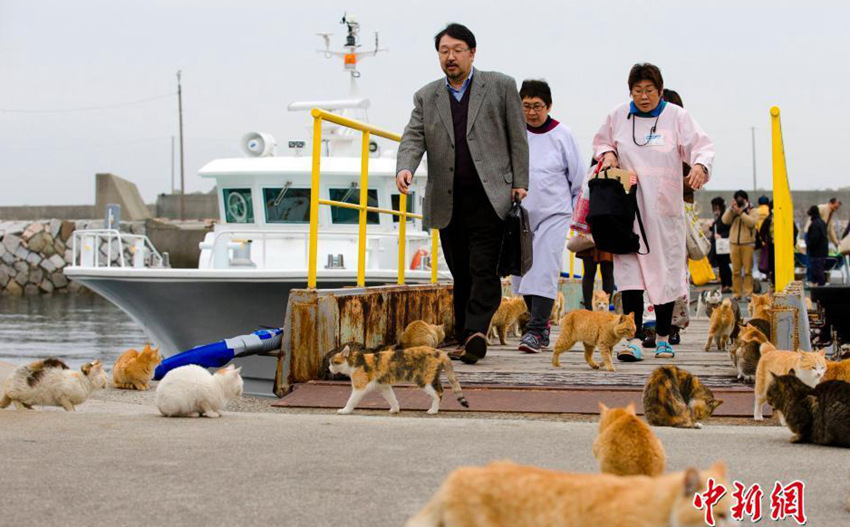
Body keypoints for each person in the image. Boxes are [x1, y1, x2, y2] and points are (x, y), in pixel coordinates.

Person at [396, 23, 529, 364]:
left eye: (457, 50)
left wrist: (519, 181)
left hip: (491, 195)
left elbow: (518, 137)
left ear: (472, 52)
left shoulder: (500, 86)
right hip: (447, 198)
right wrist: (405, 166)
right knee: (461, 271)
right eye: (444, 51)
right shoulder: (427, 96)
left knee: (483, 266)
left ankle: (474, 334)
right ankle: (464, 334)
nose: (450, 57)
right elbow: (413, 137)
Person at [593, 63, 714, 361]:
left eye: (649, 90)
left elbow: (702, 146)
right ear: (630, 92)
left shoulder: (677, 117)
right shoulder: (618, 116)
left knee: (665, 275)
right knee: (630, 276)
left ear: (660, 91)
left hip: (663, 210)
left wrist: (700, 166)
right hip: (626, 208)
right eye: (637, 91)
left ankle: (662, 337)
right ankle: (633, 339)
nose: (643, 97)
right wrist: (607, 154)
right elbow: (601, 142)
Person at [510, 80, 583, 353]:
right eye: (526, 106)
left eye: (537, 106)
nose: (531, 112)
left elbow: (577, 178)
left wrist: (578, 218)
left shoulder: (563, 134)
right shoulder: (515, 133)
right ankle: (541, 327)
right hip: (521, 215)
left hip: (555, 212)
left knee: (543, 268)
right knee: (522, 272)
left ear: (549, 106)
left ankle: (536, 330)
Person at [722, 190, 759, 301]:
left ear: (746, 200)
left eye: (741, 199)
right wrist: (730, 209)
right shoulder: (733, 210)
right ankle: (736, 293)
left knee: (748, 270)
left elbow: (752, 222)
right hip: (734, 243)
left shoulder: (752, 210)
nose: (739, 201)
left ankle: (748, 293)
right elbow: (724, 221)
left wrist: (741, 213)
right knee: (736, 271)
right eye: (737, 199)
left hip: (747, 244)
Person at [710, 197, 733, 292]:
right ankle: (725, 284)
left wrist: (721, 235)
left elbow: (729, 229)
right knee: (722, 266)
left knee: (724, 266)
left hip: (723, 244)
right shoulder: (718, 216)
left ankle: (727, 285)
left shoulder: (725, 216)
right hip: (719, 245)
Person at [806, 205, 829, 286]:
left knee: (817, 271)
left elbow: (814, 239)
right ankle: (817, 287)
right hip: (823, 251)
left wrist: (808, 246)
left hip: (816, 252)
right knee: (819, 270)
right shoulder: (822, 222)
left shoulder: (814, 224)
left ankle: (821, 288)